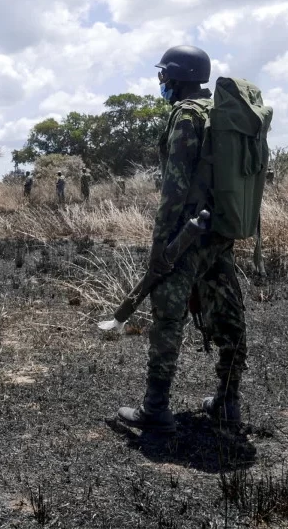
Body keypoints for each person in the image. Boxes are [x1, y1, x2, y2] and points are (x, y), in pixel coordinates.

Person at [118, 45, 248, 433]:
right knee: (229, 315)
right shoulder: (221, 114)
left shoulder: (185, 115)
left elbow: (174, 189)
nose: (162, 83)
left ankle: (155, 408)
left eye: (164, 76)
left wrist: (160, 247)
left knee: (167, 319)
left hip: (187, 236)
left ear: (176, 77)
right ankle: (228, 401)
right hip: (221, 231)